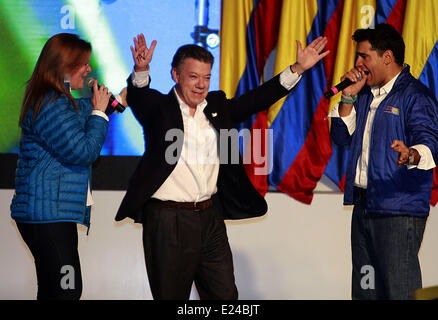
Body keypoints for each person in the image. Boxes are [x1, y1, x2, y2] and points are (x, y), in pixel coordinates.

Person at [115, 33, 329, 300]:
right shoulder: (159, 109)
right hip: (168, 220)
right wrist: (141, 69)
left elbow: (258, 99)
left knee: (225, 296)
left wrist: (296, 69)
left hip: (210, 217)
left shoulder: (217, 106)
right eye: (193, 76)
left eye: (206, 77)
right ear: (175, 75)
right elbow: (138, 95)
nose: (200, 85)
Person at [329, 23, 438, 299]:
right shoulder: (364, 94)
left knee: (399, 291)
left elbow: (430, 144)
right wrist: (348, 95)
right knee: (366, 290)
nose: (358, 63)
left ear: (387, 57)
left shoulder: (415, 96)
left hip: (397, 210)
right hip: (364, 207)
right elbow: (340, 137)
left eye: (365, 56)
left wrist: (410, 154)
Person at [10, 33, 114, 300]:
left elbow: (80, 110)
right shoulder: (52, 102)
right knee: (67, 290)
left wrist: (110, 104)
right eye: (84, 63)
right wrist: (100, 113)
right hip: (49, 217)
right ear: (66, 64)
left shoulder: (56, 100)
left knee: (55, 289)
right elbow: (83, 151)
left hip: (49, 215)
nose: (89, 69)